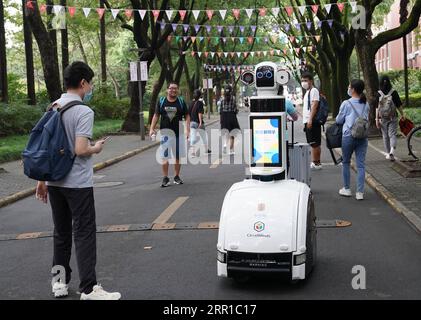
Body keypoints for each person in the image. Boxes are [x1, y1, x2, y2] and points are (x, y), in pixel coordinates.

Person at [35, 61, 121, 300]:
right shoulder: (84, 111)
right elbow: (80, 149)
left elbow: (45, 148)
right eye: (90, 83)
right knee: (83, 233)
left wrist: (41, 180)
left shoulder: (53, 106)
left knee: (60, 232)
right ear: (83, 82)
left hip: (54, 183)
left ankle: (59, 283)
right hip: (77, 184)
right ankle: (89, 288)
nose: (90, 87)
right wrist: (97, 148)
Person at [149, 82, 190, 187]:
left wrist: (188, 130)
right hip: (165, 134)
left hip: (179, 133)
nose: (173, 90)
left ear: (178, 90)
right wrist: (152, 128)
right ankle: (165, 178)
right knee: (165, 156)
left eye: (175, 88)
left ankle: (176, 176)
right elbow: (156, 115)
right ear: (167, 90)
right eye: (171, 88)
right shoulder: (162, 101)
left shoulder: (181, 101)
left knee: (177, 156)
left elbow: (187, 115)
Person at [336, 79, 370, 201]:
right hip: (362, 137)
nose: (348, 88)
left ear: (353, 89)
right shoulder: (366, 103)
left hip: (348, 136)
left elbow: (338, 121)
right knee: (361, 165)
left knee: (346, 162)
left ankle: (347, 189)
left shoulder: (346, 103)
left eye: (349, 86)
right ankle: (360, 192)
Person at [376, 75, 406, 161]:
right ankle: (392, 151)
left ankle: (388, 153)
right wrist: (403, 114)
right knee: (392, 135)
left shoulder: (379, 93)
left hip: (383, 118)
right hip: (393, 117)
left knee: (385, 136)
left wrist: (377, 119)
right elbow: (399, 105)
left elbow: (377, 108)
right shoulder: (394, 92)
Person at [301, 72, 322, 170]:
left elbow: (315, 105)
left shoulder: (313, 91)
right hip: (309, 121)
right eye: (302, 80)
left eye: (305, 80)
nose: (303, 82)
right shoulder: (308, 92)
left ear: (311, 81)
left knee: (314, 143)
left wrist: (310, 120)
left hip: (312, 121)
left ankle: (316, 163)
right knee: (314, 143)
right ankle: (316, 162)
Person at [218, 84, 240, 155]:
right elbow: (236, 109)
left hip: (224, 116)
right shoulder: (233, 98)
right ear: (231, 91)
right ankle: (231, 150)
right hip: (231, 116)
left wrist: (221, 118)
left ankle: (225, 145)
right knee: (232, 133)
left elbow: (220, 110)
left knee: (226, 132)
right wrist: (235, 111)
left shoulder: (222, 99)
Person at [189, 89, 211, 157]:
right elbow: (200, 113)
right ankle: (206, 149)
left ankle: (193, 152)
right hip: (198, 122)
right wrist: (200, 122)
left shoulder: (190, 103)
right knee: (204, 137)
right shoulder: (200, 103)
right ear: (199, 96)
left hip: (192, 122)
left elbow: (188, 114)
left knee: (193, 137)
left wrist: (189, 122)